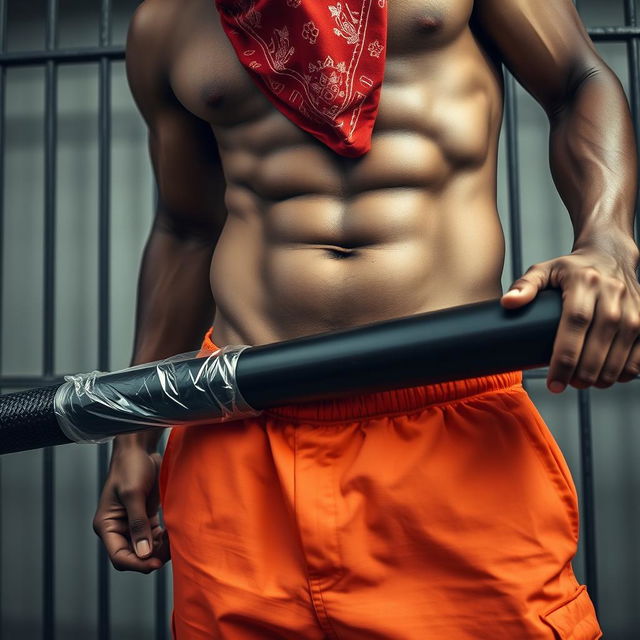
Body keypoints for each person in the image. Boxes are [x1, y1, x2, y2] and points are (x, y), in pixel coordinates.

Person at [94, 0, 640, 637]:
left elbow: (579, 81)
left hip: (443, 426)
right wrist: (133, 436)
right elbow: (186, 228)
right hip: (237, 430)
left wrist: (606, 240)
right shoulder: (166, 22)